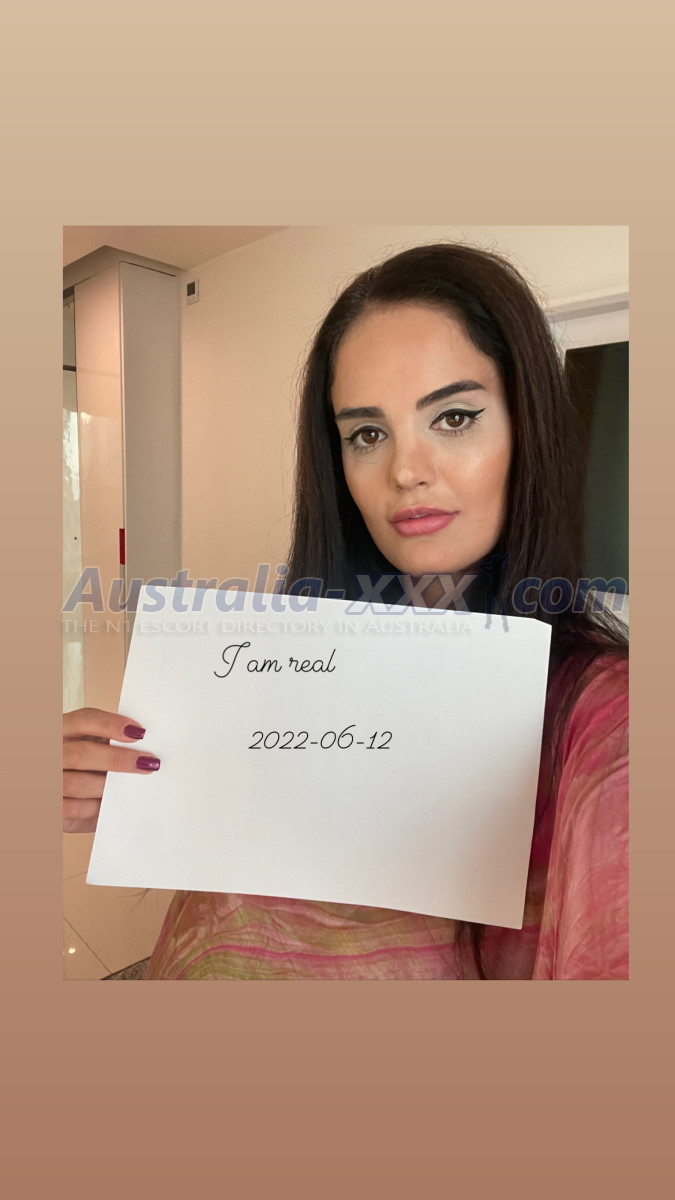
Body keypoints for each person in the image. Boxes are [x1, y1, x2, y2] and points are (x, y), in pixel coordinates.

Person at [62, 242, 629, 980]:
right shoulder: (286, 658)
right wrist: (126, 791)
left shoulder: (599, 712)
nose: (405, 471)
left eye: (454, 417)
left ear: (528, 429)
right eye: (367, 433)